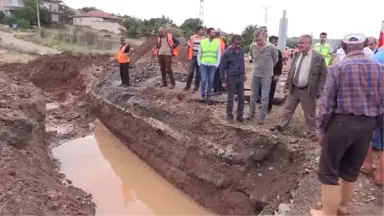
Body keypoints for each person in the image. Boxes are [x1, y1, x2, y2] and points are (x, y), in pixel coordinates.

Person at [311, 33, 384, 216]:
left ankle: (327, 213)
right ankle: (342, 207)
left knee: (329, 170)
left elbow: (326, 104)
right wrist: (376, 122)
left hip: (341, 124)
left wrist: (322, 129)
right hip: (367, 125)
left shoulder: (338, 68)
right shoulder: (379, 68)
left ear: (343, 46)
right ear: (364, 45)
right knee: (351, 169)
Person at [270, 34, 327, 139]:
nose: (299, 45)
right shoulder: (297, 55)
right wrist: (287, 85)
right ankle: (281, 127)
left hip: (308, 90)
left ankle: (312, 133)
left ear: (310, 44)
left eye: (302, 43)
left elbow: (323, 75)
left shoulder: (318, 58)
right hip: (294, 88)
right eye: (299, 42)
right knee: (287, 109)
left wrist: (320, 89)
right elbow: (292, 71)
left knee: (309, 113)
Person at [247, 30, 278, 124]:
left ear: (265, 37)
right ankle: (251, 114)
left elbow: (275, 60)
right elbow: (252, 57)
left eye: (260, 40)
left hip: (267, 75)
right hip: (255, 74)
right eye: (256, 40)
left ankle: (262, 118)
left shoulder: (272, 48)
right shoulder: (252, 46)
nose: (258, 42)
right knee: (253, 95)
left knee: (265, 97)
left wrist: (267, 68)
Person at [220, 35, 245, 122]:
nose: (238, 46)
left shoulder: (241, 51)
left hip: (240, 77)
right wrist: (223, 81)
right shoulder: (227, 53)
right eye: (236, 44)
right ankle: (229, 115)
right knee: (230, 98)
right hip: (231, 78)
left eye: (239, 44)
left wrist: (244, 74)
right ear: (231, 42)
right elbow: (222, 68)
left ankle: (240, 115)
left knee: (241, 97)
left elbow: (242, 63)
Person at [197, 28, 221, 105]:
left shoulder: (217, 42)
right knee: (203, 79)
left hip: (212, 65)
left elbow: (219, 54)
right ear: (208, 33)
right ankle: (203, 94)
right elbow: (199, 53)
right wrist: (199, 63)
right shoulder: (203, 42)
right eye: (212, 33)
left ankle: (209, 95)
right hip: (203, 64)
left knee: (210, 81)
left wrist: (217, 64)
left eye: (214, 33)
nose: (214, 34)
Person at [184, 26, 205, 92]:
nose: (203, 31)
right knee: (190, 72)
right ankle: (188, 85)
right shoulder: (192, 37)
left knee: (199, 73)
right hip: (192, 57)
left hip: (200, 58)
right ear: (198, 31)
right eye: (202, 30)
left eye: (203, 30)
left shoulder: (204, 39)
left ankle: (196, 86)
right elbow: (188, 46)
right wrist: (187, 56)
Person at [267, 36, 283, 112]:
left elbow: (280, 65)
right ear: (270, 42)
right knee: (263, 90)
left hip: (273, 74)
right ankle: (264, 104)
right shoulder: (266, 51)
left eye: (277, 41)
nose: (276, 43)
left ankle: (269, 106)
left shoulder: (278, 52)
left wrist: (277, 74)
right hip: (265, 74)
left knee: (271, 90)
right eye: (275, 41)